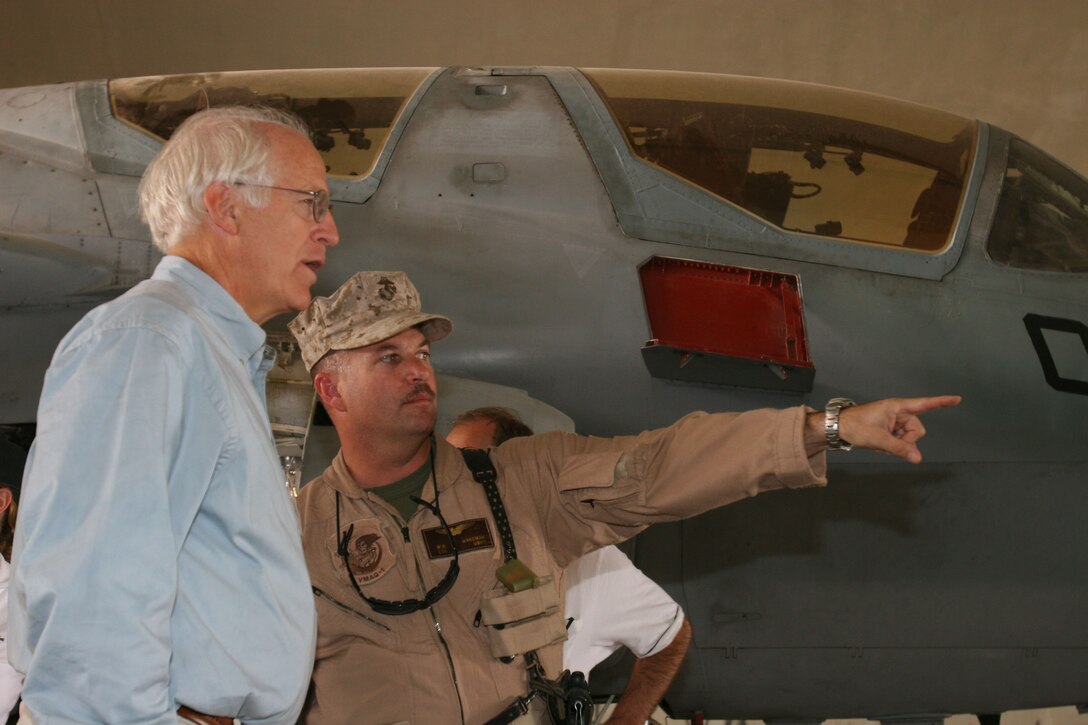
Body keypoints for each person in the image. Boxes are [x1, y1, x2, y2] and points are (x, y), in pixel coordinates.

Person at [288, 270, 959, 725]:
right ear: (332, 390)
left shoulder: (513, 484)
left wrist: (825, 428)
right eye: (388, 358)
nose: (419, 372)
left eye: (422, 353)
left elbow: (663, 465)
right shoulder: (295, 534)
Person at [9, 106, 340, 724]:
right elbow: (94, 602)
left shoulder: (201, 349)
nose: (330, 232)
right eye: (312, 203)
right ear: (227, 207)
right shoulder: (149, 341)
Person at [447, 407, 692, 725]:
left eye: (465, 460)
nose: (448, 478)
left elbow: (670, 635)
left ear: (505, 471)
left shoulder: (592, 563)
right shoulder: (433, 559)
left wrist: (625, 720)